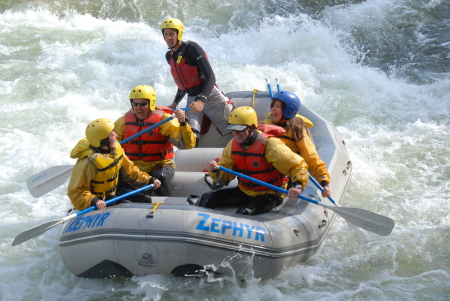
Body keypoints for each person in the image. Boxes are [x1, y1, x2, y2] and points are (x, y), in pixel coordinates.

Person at [197, 106, 309, 215]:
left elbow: (298, 165)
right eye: (233, 129)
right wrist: (215, 169)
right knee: (207, 198)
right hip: (245, 191)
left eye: (239, 129)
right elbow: (226, 176)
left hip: (270, 194)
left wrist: (297, 186)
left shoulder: (271, 145)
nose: (236, 133)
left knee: (244, 213)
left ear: (251, 127)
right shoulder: (232, 145)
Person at [161, 18, 234, 142]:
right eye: (166, 34)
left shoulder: (192, 49)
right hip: (192, 98)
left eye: (172, 34)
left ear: (179, 34)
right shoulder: (169, 56)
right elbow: (184, 83)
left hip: (209, 94)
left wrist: (202, 100)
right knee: (191, 133)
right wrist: (175, 103)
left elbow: (211, 76)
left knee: (233, 128)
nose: (169, 38)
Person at [114, 85, 196, 196]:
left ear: (151, 104)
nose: (138, 108)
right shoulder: (122, 122)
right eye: (135, 104)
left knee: (159, 175)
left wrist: (183, 123)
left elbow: (188, 144)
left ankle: (165, 203)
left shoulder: (164, 120)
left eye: (143, 104)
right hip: (134, 166)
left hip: (159, 164)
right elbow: (111, 145)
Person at [68, 118, 161, 211]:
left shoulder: (115, 150)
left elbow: (131, 171)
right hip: (97, 201)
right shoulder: (88, 163)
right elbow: (75, 191)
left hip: (113, 193)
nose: (116, 136)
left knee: (145, 199)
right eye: (112, 135)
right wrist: (94, 200)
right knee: (128, 207)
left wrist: (150, 180)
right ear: (103, 140)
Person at [263, 90, 331, 198]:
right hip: (270, 170)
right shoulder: (268, 124)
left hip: (290, 172)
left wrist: (324, 182)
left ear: (287, 110)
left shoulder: (297, 131)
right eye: (273, 106)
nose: (273, 109)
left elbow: (311, 157)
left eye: (277, 107)